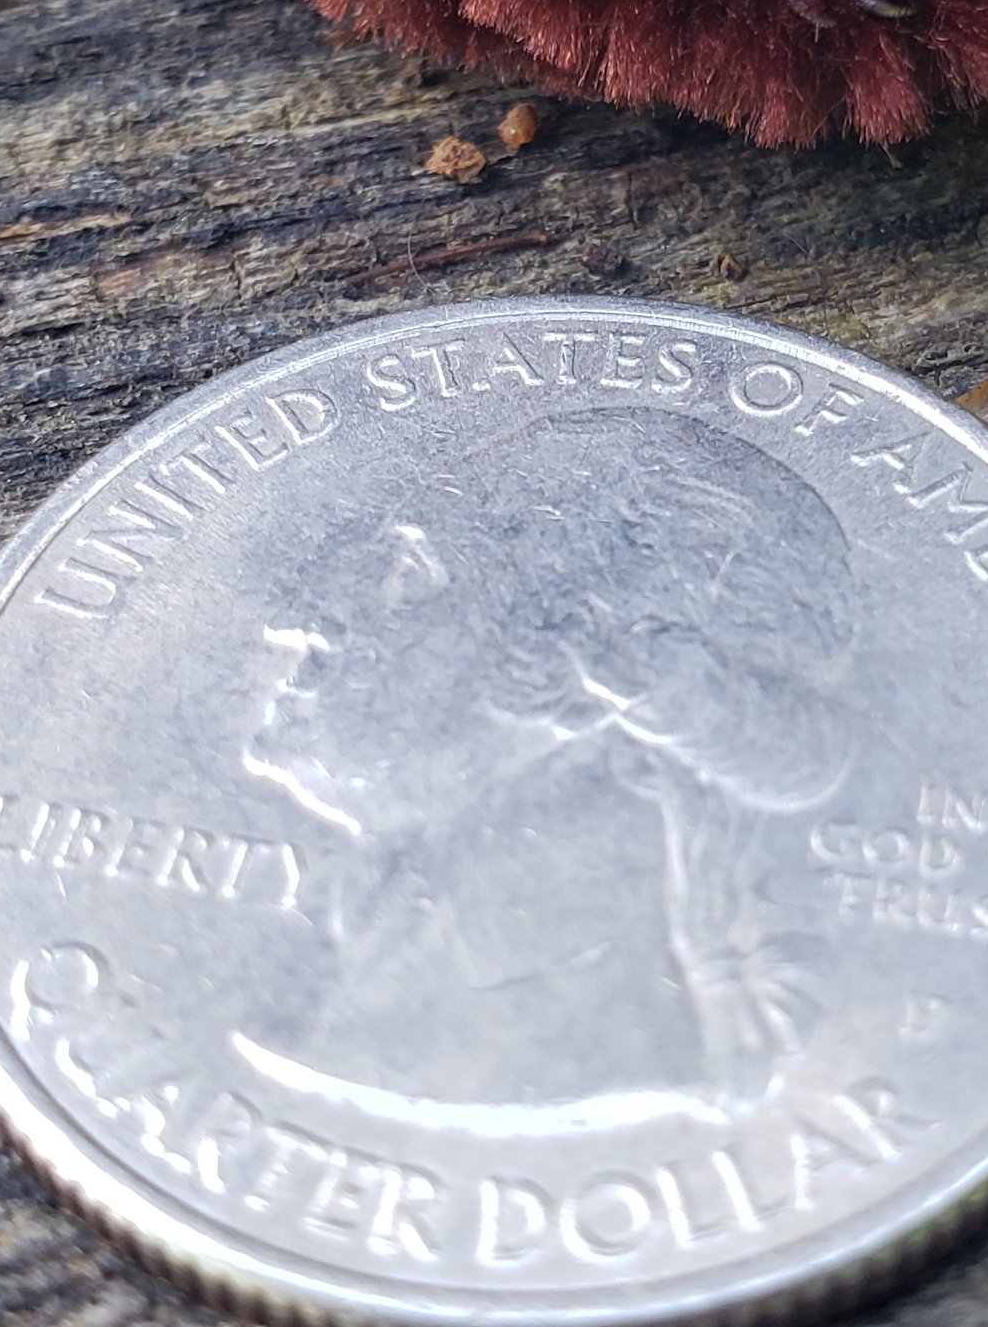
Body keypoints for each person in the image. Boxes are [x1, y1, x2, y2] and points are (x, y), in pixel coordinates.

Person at [235, 405, 859, 1114]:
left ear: (594, 664)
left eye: (413, 571)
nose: (307, 616)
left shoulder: (448, 1053)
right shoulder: (346, 968)